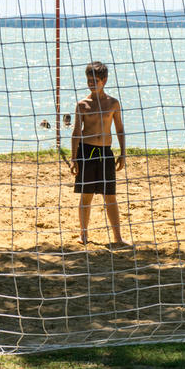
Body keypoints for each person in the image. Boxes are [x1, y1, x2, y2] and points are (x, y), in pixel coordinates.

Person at [69, 61, 128, 247]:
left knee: (110, 196)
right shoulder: (82, 105)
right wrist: (73, 159)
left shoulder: (113, 103)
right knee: (86, 195)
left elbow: (119, 129)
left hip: (105, 153)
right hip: (86, 153)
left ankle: (118, 237)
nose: (91, 83)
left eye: (95, 80)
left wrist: (123, 154)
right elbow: (76, 132)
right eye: (88, 80)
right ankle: (83, 235)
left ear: (104, 81)